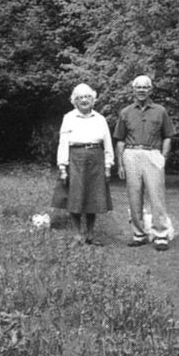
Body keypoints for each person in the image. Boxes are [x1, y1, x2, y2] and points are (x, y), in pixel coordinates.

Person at [113, 75, 175, 251]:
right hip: (131, 154)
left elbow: (168, 136)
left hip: (152, 153)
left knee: (157, 196)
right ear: (133, 90)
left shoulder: (160, 110)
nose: (141, 90)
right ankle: (138, 234)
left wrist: (163, 157)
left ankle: (161, 235)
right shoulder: (125, 112)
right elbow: (120, 140)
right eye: (138, 87)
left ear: (151, 90)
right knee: (134, 196)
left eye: (145, 87)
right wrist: (121, 164)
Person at [51, 83, 114, 245]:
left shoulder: (100, 119)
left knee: (94, 197)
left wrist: (108, 166)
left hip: (96, 158)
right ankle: (78, 234)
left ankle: (90, 234)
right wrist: (63, 167)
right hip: (75, 159)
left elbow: (107, 144)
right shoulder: (68, 118)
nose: (84, 100)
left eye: (87, 97)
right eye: (80, 98)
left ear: (93, 100)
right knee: (75, 197)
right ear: (74, 101)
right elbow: (63, 143)